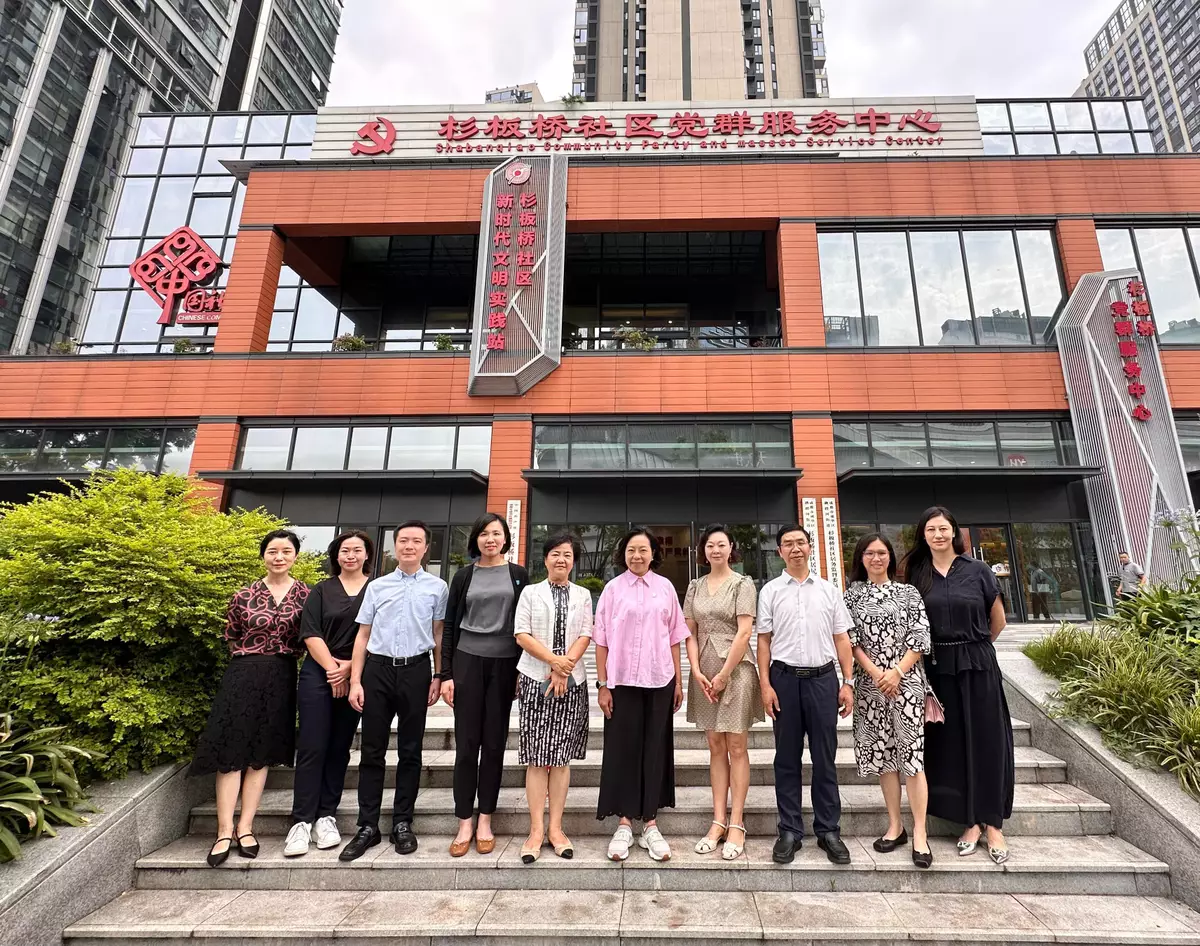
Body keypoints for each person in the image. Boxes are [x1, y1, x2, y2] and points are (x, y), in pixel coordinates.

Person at [901, 505, 1014, 865]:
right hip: (937, 669)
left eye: (943, 528)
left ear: (954, 532)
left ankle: (992, 823)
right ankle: (968, 822)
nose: (938, 535)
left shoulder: (978, 570)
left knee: (987, 740)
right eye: (931, 529)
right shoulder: (916, 574)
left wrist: (974, 649)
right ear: (923, 535)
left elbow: (998, 621)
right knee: (949, 744)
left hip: (978, 664)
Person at [192, 529, 310, 868]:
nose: (279, 557)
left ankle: (245, 826)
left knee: (261, 753)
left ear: (295, 556)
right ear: (263, 555)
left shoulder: (306, 595)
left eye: (286, 551)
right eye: (272, 551)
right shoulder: (243, 595)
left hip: (282, 675)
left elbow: (308, 637)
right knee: (231, 751)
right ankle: (223, 831)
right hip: (243, 674)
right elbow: (232, 637)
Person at [340, 521, 448, 861]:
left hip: (416, 670)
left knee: (411, 750)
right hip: (378, 671)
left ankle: (402, 821)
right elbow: (362, 636)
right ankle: (367, 826)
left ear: (426, 547)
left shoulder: (438, 587)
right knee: (372, 750)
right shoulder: (377, 586)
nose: (409, 546)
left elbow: (439, 634)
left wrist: (439, 675)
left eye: (416, 541)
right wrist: (356, 681)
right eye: (403, 540)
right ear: (395, 545)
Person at [757, 524, 855, 866]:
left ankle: (828, 830)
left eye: (800, 542)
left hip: (823, 680)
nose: (795, 548)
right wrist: (765, 685)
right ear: (779, 552)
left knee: (825, 758)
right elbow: (764, 640)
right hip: (784, 680)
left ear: (810, 547)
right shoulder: (770, 591)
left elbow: (842, 638)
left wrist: (848, 682)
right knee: (786, 758)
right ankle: (789, 831)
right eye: (788, 544)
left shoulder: (829, 590)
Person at [593, 527, 689, 862]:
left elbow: (674, 637)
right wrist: (602, 685)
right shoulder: (612, 589)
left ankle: (650, 822)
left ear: (653, 554)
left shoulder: (665, 588)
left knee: (655, 749)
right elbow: (601, 639)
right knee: (623, 749)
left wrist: (678, 682)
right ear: (624, 554)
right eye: (631, 550)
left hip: (659, 679)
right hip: (621, 682)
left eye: (643, 550)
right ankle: (624, 822)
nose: (637, 556)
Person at [440, 513, 529, 857]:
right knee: (466, 744)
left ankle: (486, 820)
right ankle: (465, 820)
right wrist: (446, 674)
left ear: (506, 538)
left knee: (494, 744)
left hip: (505, 665)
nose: (490, 539)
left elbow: (524, 625)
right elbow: (450, 625)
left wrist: (522, 670)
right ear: (476, 539)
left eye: (496, 533)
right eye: (484, 534)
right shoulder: (464, 575)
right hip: (467, 662)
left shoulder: (518, 575)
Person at [844, 533, 933, 869]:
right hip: (870, 687)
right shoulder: (852, 595)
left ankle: (920, 832)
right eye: (869, 553)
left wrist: (896, 672)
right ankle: (895, 825)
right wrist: (876, 673)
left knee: (912, 757)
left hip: (906, 684)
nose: (876, 558)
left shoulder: (908, 593)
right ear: (861, 558)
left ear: (890, 557)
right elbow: (850, 640)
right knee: (884, 758)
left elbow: (920, 637)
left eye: (882, 553)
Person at [284, 531, 373, 858]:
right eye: (345, 550)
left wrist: (349, 670)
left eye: (357, 550)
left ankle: (326, 816)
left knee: (338, 748)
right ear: (336, 555)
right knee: (312, 745)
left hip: (356, 673)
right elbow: (310, 633)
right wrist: (333, 669)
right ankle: (301, 821)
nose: (351, 555)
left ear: (367, 555)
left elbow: (377, 634)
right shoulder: (321, 590)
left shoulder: (376, 589)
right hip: (317, 673)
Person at [513, 533, 594, 863]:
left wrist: (564, 668)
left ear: (573, 561)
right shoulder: (530, 592)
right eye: (556, 554)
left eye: (567, 555)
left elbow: (586, 633)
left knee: (561, 759)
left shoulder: (583, 594)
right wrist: (553, 662)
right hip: (535, 679)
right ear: (545, 559)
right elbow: (521, 634)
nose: (561, 559)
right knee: (537, 757)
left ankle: (556, 829)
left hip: (571, 682)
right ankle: (535, 830)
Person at [683, 524, 762, 861]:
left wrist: (724, 674)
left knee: (737, 746)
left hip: (736, 669)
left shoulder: (743, 584)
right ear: (703, 551)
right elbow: (689, 632)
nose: (715, 550)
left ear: (731, 548)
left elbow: (745, 632)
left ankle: (737, 823)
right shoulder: (694, 586)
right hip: (704, 671)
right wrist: (696, 670)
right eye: (710, 545)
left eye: (721, 544)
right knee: (715, 745)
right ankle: (718, 820)